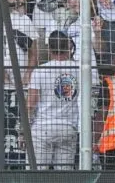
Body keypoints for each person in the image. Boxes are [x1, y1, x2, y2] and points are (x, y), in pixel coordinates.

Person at [26, 32, 80, 169]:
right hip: (68, 126)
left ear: (49, 48)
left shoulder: (39, 71)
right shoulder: (79, 70)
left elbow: (31, 104)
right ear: (69, 47)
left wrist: (23, 131)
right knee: (63, 176)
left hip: (43, 127)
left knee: (36, 174)